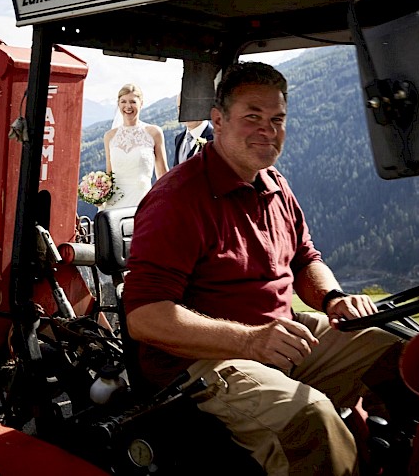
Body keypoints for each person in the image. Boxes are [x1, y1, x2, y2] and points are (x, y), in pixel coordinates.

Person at [123, 62, 404, 476]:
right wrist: (251, 341)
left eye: (277, 119)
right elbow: (145, 317)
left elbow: (306, 258)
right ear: (217, 121)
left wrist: (333, 298)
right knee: (313, 420)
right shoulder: (177, 201)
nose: (268, 131)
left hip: (278, 334)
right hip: (203, 361)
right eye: (252, 117)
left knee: (405, 348)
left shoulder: (273, 183)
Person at [101, 83, 169, 209]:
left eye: (132, 101)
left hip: (143, 202)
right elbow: (109, 175)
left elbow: (163, 174)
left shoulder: (154, 133)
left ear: (141, 103)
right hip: (115, 204)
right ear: (118, 104)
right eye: (123, 101)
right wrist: (98, 196)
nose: (128, 106)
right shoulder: (109, 136)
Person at [173, 93, 214, 166]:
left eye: (190, 107)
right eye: (180, 108)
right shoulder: (178, 139)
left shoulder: (216, 139)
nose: (185, 112)